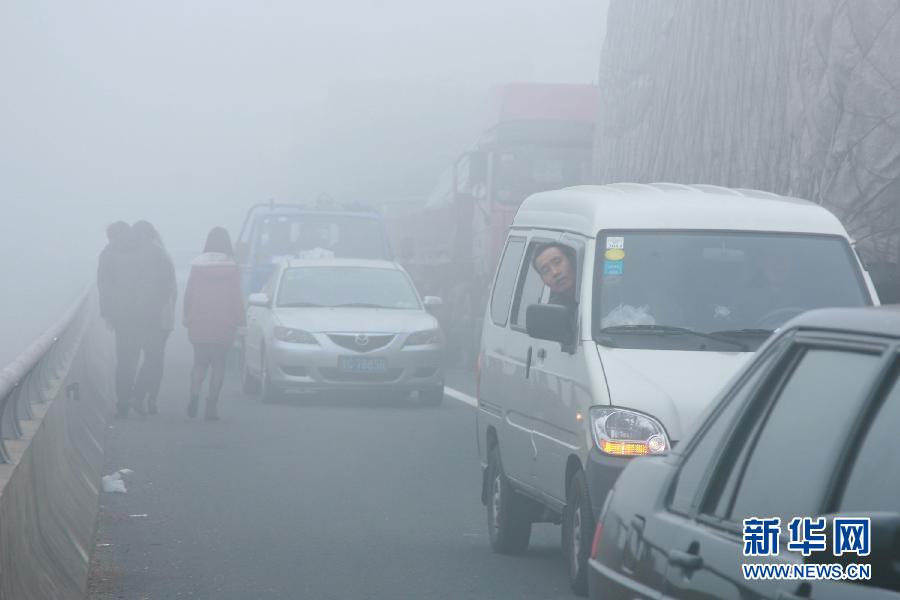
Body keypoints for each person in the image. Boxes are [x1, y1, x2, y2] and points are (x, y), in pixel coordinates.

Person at [183, 227, 246, 420]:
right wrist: (241, 322)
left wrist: (187, 315)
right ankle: (211, 407)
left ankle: (194, 393)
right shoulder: (233, 267)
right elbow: (236, 296)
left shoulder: (197, 265)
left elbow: (189, 293)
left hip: (199, 319)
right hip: (224, 322)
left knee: (199, 362)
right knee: (219, 365)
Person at [97, 221, 143, 418]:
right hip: (139, 312)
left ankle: (124, 399)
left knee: (125, 357)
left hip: (122, 315)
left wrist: (107, 313)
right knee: (131, 358)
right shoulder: (138, 253)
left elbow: (103, 286)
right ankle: (129, 397)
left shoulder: (107, 255)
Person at [131, 221, 177, 415]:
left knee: (151, 357)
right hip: (163, 314)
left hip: (152, 314)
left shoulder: (147, 252)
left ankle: (138, 395)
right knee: (157, 358)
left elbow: (149, 287)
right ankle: (151, 400)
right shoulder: (161, 251)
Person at [532, 242, 577, 308]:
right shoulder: (553, 312)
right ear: (543, 281)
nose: (555, 272)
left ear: (571, 261)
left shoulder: (596, 289)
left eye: (557, 262)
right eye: (546, 271)